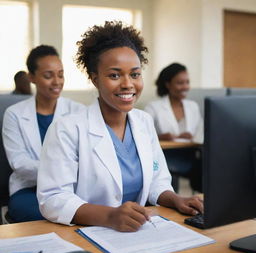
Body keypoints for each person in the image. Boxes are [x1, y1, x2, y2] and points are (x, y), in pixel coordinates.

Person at [37, 21, 203, 232]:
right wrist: (110, 216)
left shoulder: (143, 121)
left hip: (139, 231)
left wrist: (175, 199)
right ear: (95, 79)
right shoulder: (67, 129)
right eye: (114, 75)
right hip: (88, 231)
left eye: (135, 74)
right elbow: (53, 199)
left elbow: (157, 181)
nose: (127, 84)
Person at [2, 45, 85, 222]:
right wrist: (63, 170)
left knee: (81, 211)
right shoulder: (14, 114)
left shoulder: (78, 111)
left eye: (61, 74)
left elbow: (85, 158)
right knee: (47, 215)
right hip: (29, 188)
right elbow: (19, 163)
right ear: (32, 77)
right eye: (48, 76)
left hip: (70, 188)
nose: (57, 81)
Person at [144, 63, 203, 192]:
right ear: (168, 84)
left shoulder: (193, 106)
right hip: (165, 156)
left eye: (187, 82)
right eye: (180, 83)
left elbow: (200, 134)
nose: (185, 87)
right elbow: (142, 134)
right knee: (168, 173)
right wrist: (161, 137)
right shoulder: (154, 107)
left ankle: (207, 204)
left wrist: (194, 137)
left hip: (190, 155)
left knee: (209, 166)